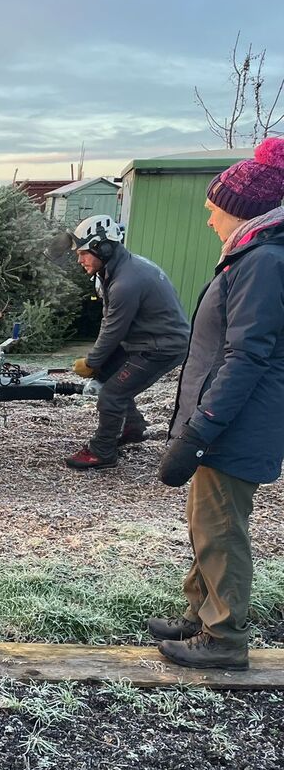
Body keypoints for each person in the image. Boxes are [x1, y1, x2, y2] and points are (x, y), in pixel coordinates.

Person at [149, 137, 284, 670]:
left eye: (213, 211)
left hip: (236, 425)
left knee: (222, 529)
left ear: (242, 213)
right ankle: (201, 614)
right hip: (229, 422)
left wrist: (199, 430)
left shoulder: (262, 262)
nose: (208, 221)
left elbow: (246, 357)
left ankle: (224, 638)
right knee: (206, 524)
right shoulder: (252, 256)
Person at [64, 214, 190, 470]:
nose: (80, 260)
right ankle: (132, 426)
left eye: (84, 253)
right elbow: (110, 321)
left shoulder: (126, 281)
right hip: (146, 341)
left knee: (111, 395)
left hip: (161, 348)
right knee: (108, 372)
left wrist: (91, 361)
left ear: (104, 247)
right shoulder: (121, 268)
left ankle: (102, 452)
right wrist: (99, 362)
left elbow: (113, 329)